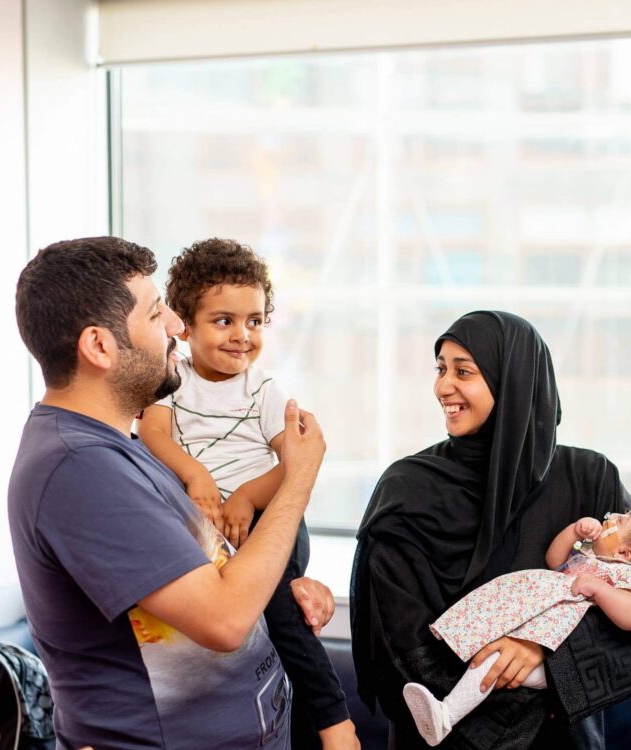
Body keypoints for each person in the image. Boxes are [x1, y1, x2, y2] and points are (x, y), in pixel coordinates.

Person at [9, 236, 336, 750]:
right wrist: (297, 478)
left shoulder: (123, 449)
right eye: (157, 313)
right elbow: (224, 619)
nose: (178, 328)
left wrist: (285, 582)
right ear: (99, 346)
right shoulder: (80, 467)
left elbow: (203, 575)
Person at [350, 310, 631, 749]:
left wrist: (546, 654)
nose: (442, 386)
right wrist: (501, 680)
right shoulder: (408, 490)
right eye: (440, 369)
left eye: (464, 371)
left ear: (513, 379)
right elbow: (398, 642)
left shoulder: (588, 478)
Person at [137, 238, 357, 750]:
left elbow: (295, 464)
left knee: (283, 615)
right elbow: (153, 435)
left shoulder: (264, 391)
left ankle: (336, 724)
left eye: (255, 321)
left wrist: (247, 498)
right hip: (208, 523)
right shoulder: (171, 382)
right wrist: (197, 477)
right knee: (261, 629)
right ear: (184, 326)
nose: (242, 336)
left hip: (264, 520)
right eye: (224, 321)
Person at [403, 506, 631, 746]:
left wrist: (601, 591)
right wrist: (574, 532)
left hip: (548, 656)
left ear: (627, 554)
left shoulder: (630, 578)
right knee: (489, 646)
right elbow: (555, 560)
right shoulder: (593, 558)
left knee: (494, 661)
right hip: (534, 628)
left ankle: (446, 715)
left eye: (624, 519)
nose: (614, 515)